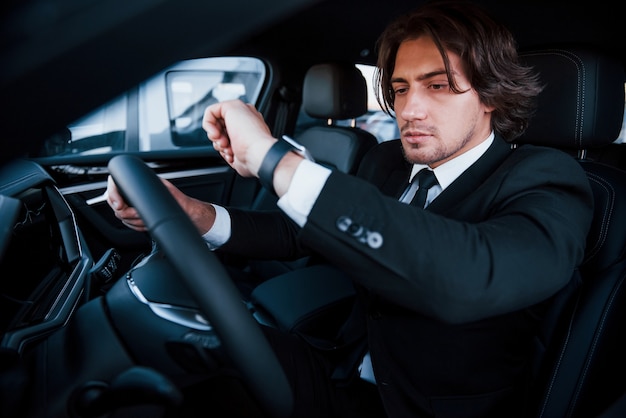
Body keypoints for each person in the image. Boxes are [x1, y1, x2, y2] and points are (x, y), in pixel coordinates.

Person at [106, 1, 594, 416]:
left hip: (424, 406)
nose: (410, 110)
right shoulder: (387, 161)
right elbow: (304, 231)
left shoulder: (546, 180)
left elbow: (472, 277)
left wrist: (273, 158)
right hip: (342, 364)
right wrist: (193, 214)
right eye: (401, 88)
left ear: (489, 94)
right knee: (166, 361)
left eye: (439, 85)